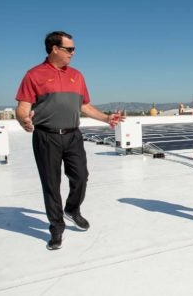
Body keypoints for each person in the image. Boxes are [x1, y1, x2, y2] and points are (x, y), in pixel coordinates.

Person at [15, 31, 124, 250]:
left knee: (81, 177)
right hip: (46, 136)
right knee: (51, 184)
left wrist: (106, 118)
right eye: (69, 49)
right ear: (55, 49)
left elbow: (84, 106)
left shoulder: (77, 75)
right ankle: (56, 227)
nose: (73, 53)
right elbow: (23, 107)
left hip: (73, 135)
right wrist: (23, 120)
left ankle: (72, 209)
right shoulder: (33, 75)